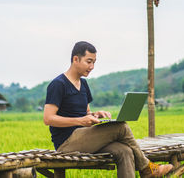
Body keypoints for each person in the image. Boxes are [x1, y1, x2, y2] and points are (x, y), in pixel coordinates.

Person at [43, 41, 173, 178]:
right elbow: (48, 118)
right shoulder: (58, 84)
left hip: (85, 138)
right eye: (89, 62)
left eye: (94, 62)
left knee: (125, 151)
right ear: (76, 59)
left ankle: (147, 170)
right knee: (120, 126)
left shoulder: (83, 84)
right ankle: (147, 169)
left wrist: (96, 115)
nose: (92, 66)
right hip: (67, 143)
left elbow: (86, 113)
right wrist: (81, 121)